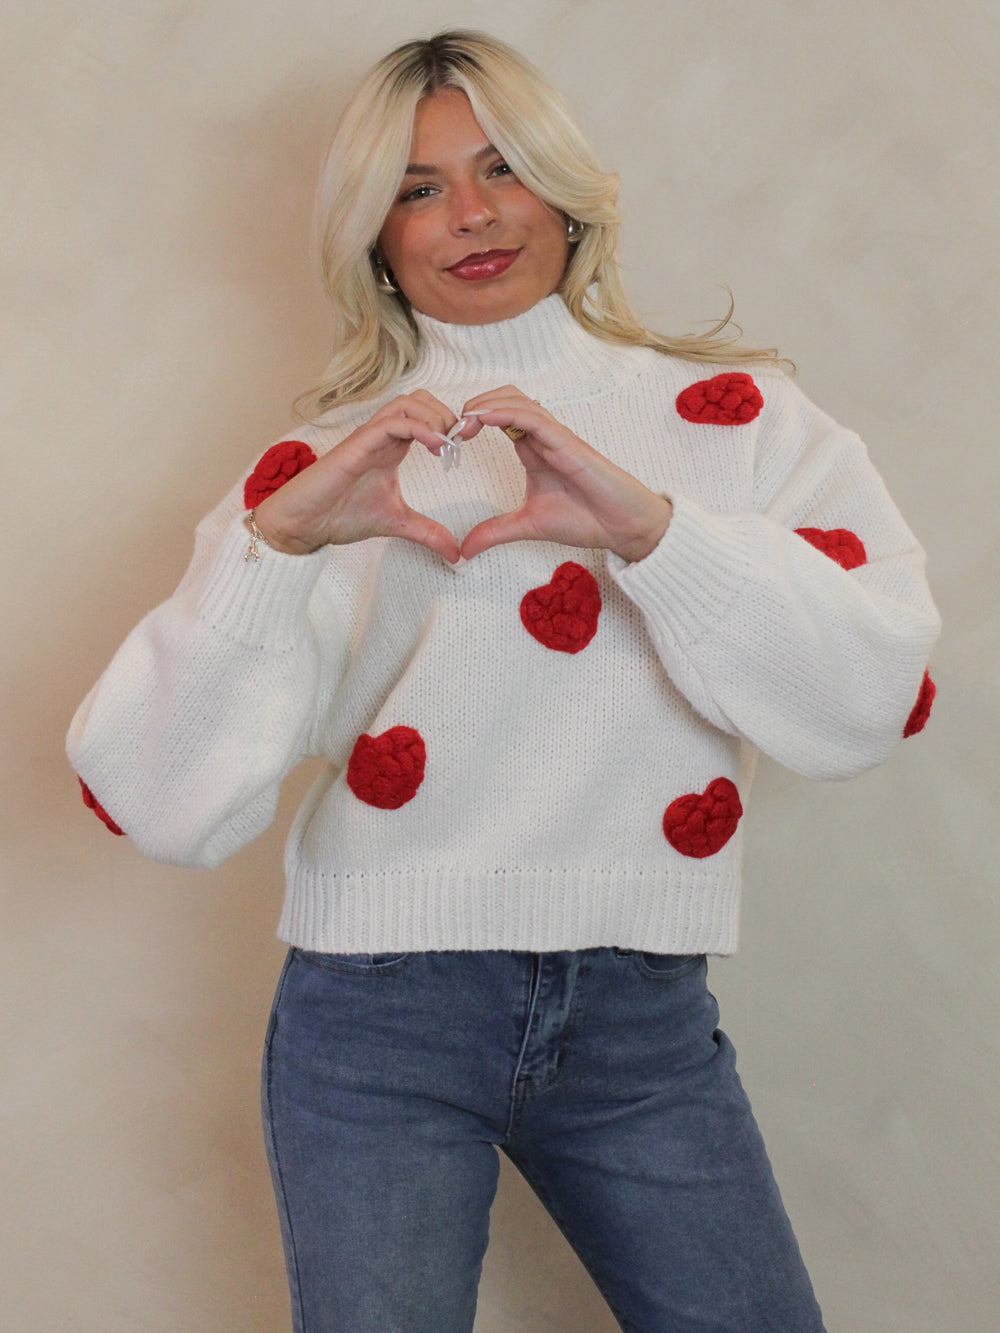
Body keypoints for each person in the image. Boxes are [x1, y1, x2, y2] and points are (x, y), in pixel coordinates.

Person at [67, 29, 940, 1333]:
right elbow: (161, 801)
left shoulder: (739, 421)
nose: (471, 214)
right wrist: (276, 550)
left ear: (565, 189)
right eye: (417, 188)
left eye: (502, 168)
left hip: (642, 1016)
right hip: (376, 1020)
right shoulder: (323, 466)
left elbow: (873, 693)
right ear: (372, 233)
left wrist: (656, 535)